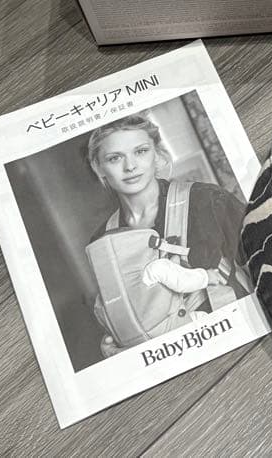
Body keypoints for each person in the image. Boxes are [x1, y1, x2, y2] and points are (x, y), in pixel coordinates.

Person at [86, 113, 251, 357]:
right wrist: (116, 345)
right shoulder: (101, 241)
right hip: (165, 357)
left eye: (141, 151)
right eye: (114, 158)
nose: (130, 166)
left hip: (233, 340)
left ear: (157, 154)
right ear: (98, 167)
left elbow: (266, 264)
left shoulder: (207, 200)